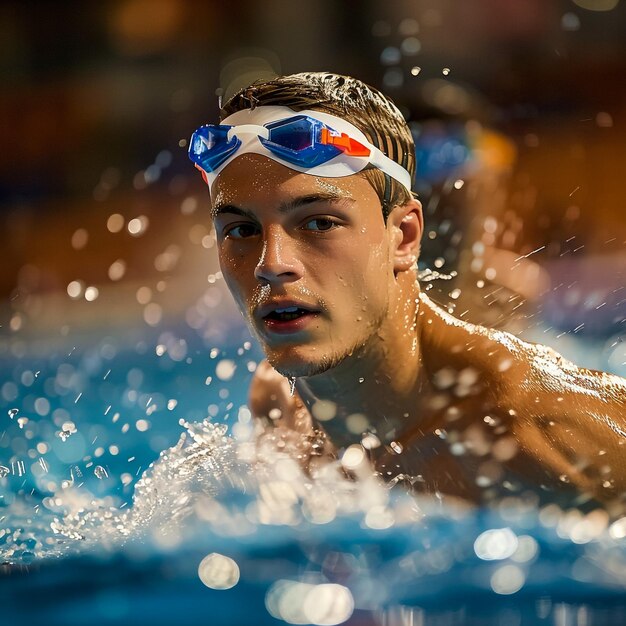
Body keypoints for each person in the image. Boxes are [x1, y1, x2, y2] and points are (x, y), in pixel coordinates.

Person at [188, 72, 626, 513]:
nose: (271, 263)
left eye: (319, 222)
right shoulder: (280, 404)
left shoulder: (544, 426)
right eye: (241, 230)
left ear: (404, 236)